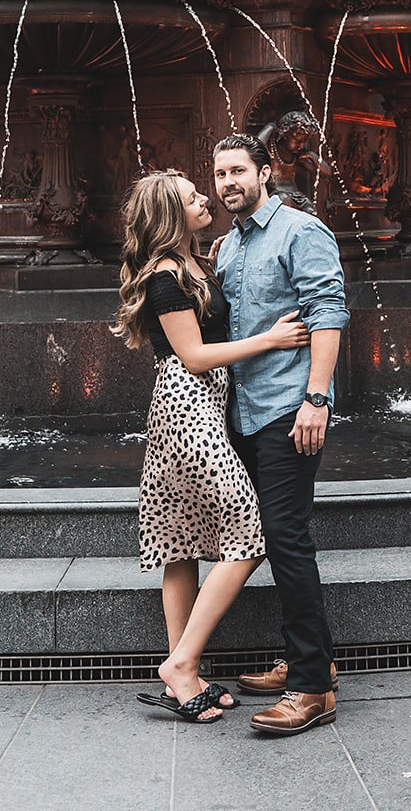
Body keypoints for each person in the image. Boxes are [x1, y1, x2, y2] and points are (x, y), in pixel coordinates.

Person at [112, 169, 310, 724]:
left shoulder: (195, 263)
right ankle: (182, 665)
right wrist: (270, 339)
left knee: (181, 538)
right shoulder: (164, 279)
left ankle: (185, 674)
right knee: (248, 532)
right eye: (193, 198)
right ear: (171, 216)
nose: (206, 198)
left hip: (201, 406)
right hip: (187, 407)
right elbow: (194, 356)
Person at [212, 133, 350, 737]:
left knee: (287, 538)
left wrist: (315, 399)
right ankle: (306, 658)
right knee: (269, 536)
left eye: (238, 170)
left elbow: (328, 314)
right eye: (219, 175)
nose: (227, 183)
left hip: (288, 409)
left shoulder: (300, 231)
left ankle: (312, 687)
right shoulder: (225, 247)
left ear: (264, 172)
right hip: (241, 411)